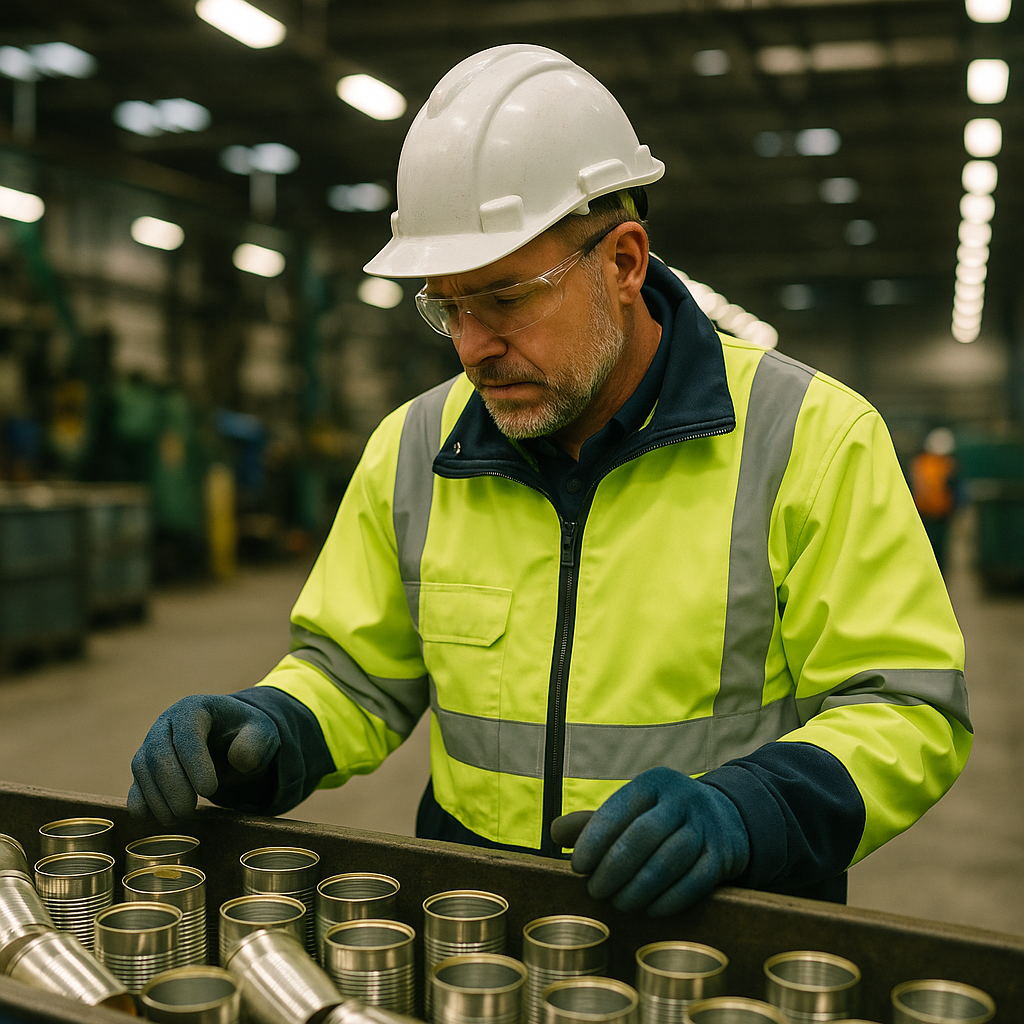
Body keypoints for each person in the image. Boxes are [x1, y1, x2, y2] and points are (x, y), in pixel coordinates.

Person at [128, 44, 971, 917]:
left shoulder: (810, 440)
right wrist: (271, 728)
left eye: (504, 299)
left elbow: (906, 706)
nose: (471, 347)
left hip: (724, 935)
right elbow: (355, 670)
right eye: (447, 307)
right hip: (480, 933)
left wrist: (745, 809)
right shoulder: (417, 443)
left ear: (624, 262)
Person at [910, 427, 959, 573]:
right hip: (926, 514)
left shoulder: (947, 464)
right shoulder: (923, 464)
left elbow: (952, 488)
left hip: (940, 514)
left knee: (938, 550)